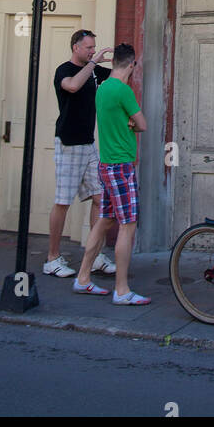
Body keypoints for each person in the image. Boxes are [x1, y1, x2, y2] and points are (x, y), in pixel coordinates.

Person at [73, 42, 150, 304]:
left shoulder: (103, 88)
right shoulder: (123, 90)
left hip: (105, 164)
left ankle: (83, 278)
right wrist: (132, 124)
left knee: (104, 220)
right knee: (127, 227)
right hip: (122, 166)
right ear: (131, 64)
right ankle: (122, 290)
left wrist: (127, 121)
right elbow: (142, 124)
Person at [44, 28, 117, 279]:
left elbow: (120, 75)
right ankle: (52, 258)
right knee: (63, 202)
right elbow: (73, 86)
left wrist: (118, 58)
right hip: (68, 143)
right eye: (88, 47)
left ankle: (95, 255)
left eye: (94, 48)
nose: (92, 51)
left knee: (100, 199)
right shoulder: (64, 70)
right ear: (76, 47)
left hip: (88, 144)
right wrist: (94, 63)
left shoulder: (95, 70)